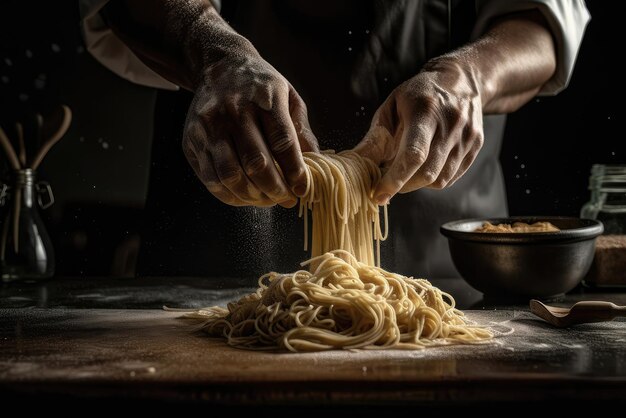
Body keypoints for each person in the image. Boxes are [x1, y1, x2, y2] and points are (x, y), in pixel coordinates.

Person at [80, 0, 589, 278]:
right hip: (206, 261)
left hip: (444, 263)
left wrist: (470, 77)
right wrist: (214, 50)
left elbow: (544, 21)